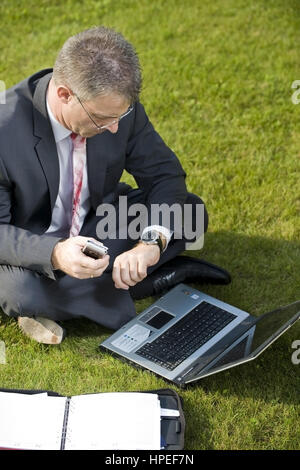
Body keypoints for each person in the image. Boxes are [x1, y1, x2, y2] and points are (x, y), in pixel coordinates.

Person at [0, 27, 229, 344]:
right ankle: (154, 281)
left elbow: (164, 174)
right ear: (64, 94)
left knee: (190, 213)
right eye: (101, 119)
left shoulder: (116, 108)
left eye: (121, 115)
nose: (114, 127)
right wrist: (55, 254)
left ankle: (76, 295)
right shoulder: (4, 129)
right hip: (30, 250)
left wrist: (149, 243)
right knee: (21, 291)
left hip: (99, 224)